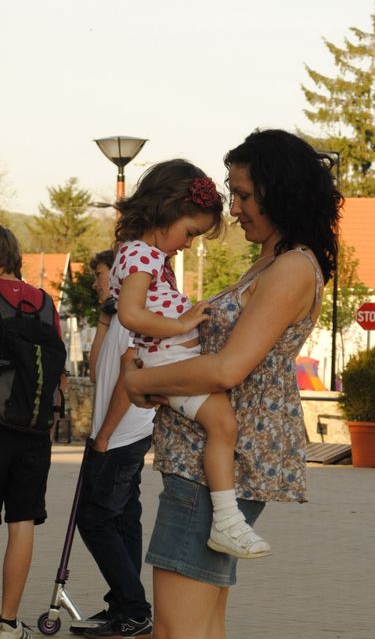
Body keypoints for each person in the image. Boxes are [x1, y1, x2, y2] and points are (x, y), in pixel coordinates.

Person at [124, 129, 342, 639]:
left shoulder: (291, 267)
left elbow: (227, 369)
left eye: (243, 195)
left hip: (212, 472)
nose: (235, 208)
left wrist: (142, 381)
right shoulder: (273, 262)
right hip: (212, 465)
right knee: (202, 625)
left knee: (175, 629)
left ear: (278, 193)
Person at [110, 158, 271, 560]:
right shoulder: (141, 256)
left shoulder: (147, 257)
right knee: (223, 424)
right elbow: (130, 314)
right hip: (166, 361)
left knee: (223, 424)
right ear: (166, 210)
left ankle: (227, 518)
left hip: (166, 360)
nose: (188, 245)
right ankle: (227, 520)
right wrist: (182, 324)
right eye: (190, 233)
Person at [76, 251, 155, 639]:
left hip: (122, 435)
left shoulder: (133, 316)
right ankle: (122, 607)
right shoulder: (118, 318)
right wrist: (104, 319)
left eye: (100, 274)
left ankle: (135, 609)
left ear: (119, 274)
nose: (96, 282)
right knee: (123, 519)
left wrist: (104, 436)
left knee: (94, 519)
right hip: (119, 434)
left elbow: (129, 380)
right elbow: (96, 372)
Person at [0, 226, 63, 639]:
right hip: (36, 429)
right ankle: (7, 622)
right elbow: (58, 371)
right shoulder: (44, 302)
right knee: (21, 521)